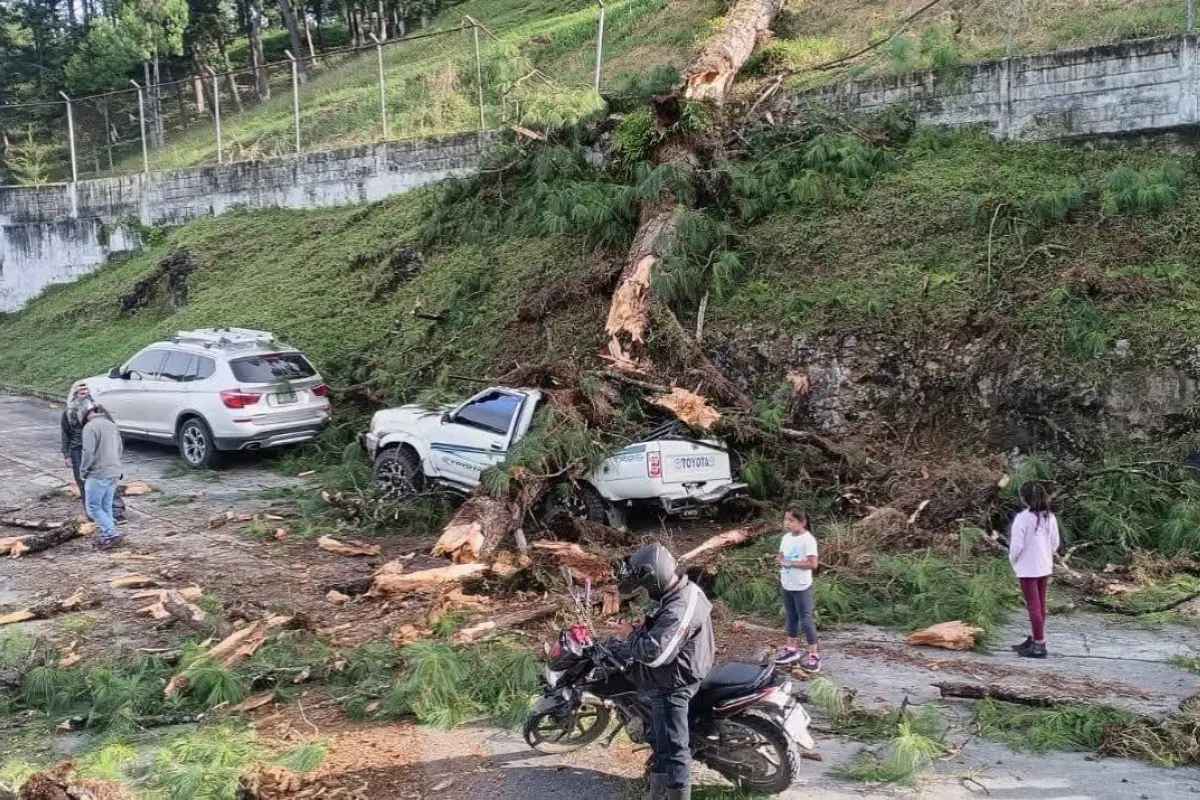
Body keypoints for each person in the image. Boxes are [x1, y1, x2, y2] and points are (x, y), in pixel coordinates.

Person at [616, 543, 714, 800]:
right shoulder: (683, 590)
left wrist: (631, 637)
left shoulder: (679, 606)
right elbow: (667, 628)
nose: (645, 591)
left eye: (645, 585)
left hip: (674, 682)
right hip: (678, 671)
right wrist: (645, 626)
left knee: (673, 748)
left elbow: (656, 653)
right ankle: (657, 793)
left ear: (654, 578)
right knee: (660, 742)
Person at [1008, 482, 1060, 659]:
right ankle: (1037, 638)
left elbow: (1017, 546)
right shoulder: (1050, 517)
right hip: (1044, 565)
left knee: (1033, 606)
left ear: (1023, 498)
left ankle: (1039, 644)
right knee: (1041, 604)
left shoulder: (1022, 518)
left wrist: (1013, 561)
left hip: (1027, 567)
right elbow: (1055, 543)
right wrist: (1046, 555)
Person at [62, 385, 124, 523]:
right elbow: (65, 434)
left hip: (99, 447)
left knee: (107, 478)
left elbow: (112, 429)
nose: (84, 394)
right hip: (77, 449)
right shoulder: (69, 412)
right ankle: (92, 514)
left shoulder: (98, 409)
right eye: (81, 392)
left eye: (87, 392)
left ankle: (116, 511)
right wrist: (66, 454)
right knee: (83, 482)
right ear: (75, 394)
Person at [776, 506, 820, 671]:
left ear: (802, 522)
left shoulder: (808, 540)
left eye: (791, 520)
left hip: (802, 586)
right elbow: (780, 557)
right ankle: (791, 649)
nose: (787, 523)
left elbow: (813, 564)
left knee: (806, 620)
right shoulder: (786, 538)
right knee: (791, 617)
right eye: (785, 519)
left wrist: (790, 563)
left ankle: (814, 655)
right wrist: (780, 560)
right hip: (787, 583)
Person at [80, 405, 125, 550]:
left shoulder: (90, 427)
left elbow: (88, 452)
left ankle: (111, 533)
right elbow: (120, 448)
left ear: (87, 414)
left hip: (98, 473)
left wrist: (84, 470)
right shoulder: (112, 425)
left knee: (93, 508)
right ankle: (109, 534)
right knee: (106, 505)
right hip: (114, 471)